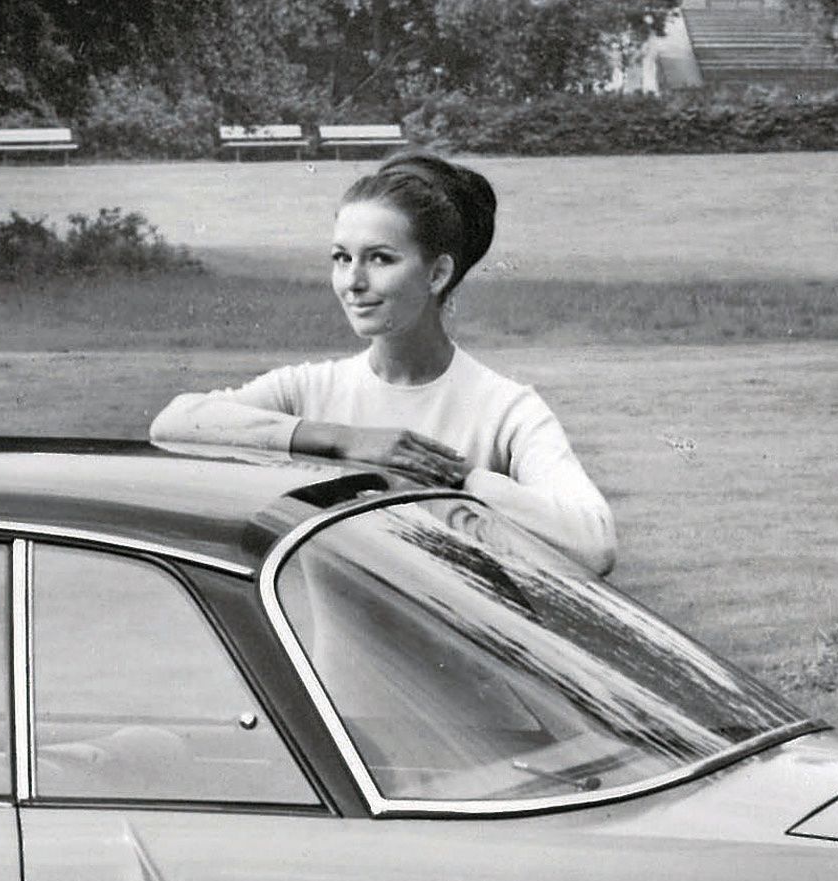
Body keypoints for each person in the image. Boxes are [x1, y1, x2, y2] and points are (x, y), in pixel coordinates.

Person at [149, 152, 617, 575]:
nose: (352, 281)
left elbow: (594, 542)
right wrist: (342, 440)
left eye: (380, 259)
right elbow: (174, 422)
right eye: (341, 258)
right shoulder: (310, 389)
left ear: (438, 273)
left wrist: (459, 480)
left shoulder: (505, 408)